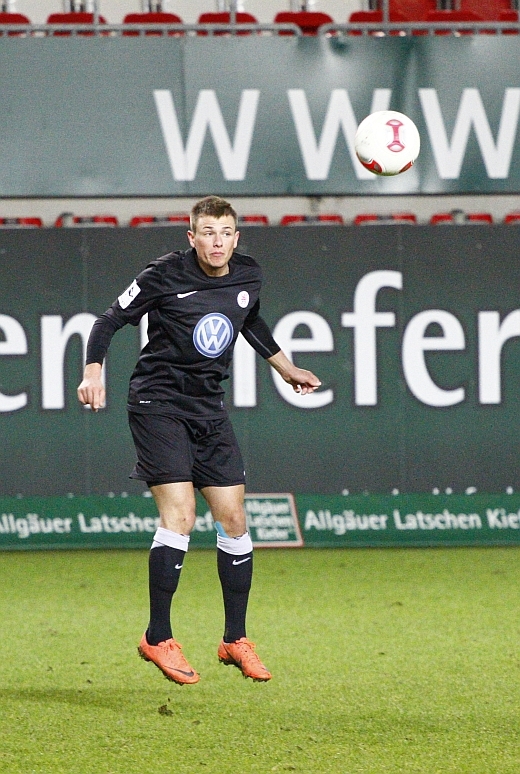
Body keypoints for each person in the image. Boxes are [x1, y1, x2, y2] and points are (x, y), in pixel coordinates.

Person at [77, 196, 321, 685]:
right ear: (192, 237)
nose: (217, 242)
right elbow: (109, 320)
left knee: (234, 518)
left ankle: (235, 639)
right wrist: (93, 371)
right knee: (181, 516)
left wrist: (286, 368)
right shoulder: (164, 274)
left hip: (209, 407)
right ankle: (157, 636)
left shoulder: (247, 275)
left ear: (236, 237)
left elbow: (250, 321)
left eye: (225, 233)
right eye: (207, 233)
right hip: (158, 404)